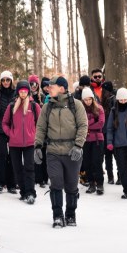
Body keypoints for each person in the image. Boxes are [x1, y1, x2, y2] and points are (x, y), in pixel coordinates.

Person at [34, 76, 88, 228]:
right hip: (53, 152)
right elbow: (41, 128)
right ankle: (57, 215)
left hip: (72, 152)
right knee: (56, 183)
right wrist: (37, 146)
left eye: (52, 86)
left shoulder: (76, 105)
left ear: (62, 88)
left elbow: (83, 125)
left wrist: (78, 145)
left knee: (71, 185)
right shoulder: (47, 107)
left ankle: (70, 214)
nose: (49, 88)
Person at [2, 81, 41, 204]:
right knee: (17, 169)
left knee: (29, 168)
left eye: (25, 91)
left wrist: (35, 135)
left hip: (30, 143)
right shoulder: (12, 106)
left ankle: (30, 193)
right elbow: (4, 123)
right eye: (21, 91)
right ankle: (23, 192)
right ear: (18, 92)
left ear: (28, 92)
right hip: (14, 144)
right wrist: (11, 134)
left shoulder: (34, 106)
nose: (23, 93)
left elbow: (40, 124)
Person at [0, 70, 17, 193]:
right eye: (3, 80)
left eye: (8, 80)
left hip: (14, 129)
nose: (6, 82)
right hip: (0, 130)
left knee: (13, 156)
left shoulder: (17, 94)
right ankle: (0, 182)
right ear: (0, 81)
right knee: (2, 155)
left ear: (11, 81)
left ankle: (12, 183)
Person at [81, 87, 105, 195]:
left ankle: (99, 184)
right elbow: (80, 124)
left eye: (89, 99)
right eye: (85, 100)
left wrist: (87, 125)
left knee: (97, 161)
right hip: (85, 140)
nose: (88, 102)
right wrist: (92, 121)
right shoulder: (81, 110)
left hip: (97, 139)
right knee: (87, 162)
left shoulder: (99, 108)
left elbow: (101, 123)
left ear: (92, 98)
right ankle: (91, 183)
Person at [100, 80, 116, 184]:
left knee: (115, 155)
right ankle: (110, 176)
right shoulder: (103, 101)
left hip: (113, 131)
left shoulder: (113, 100)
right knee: (108, 155)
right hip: (105, 131)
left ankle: (116, 175)